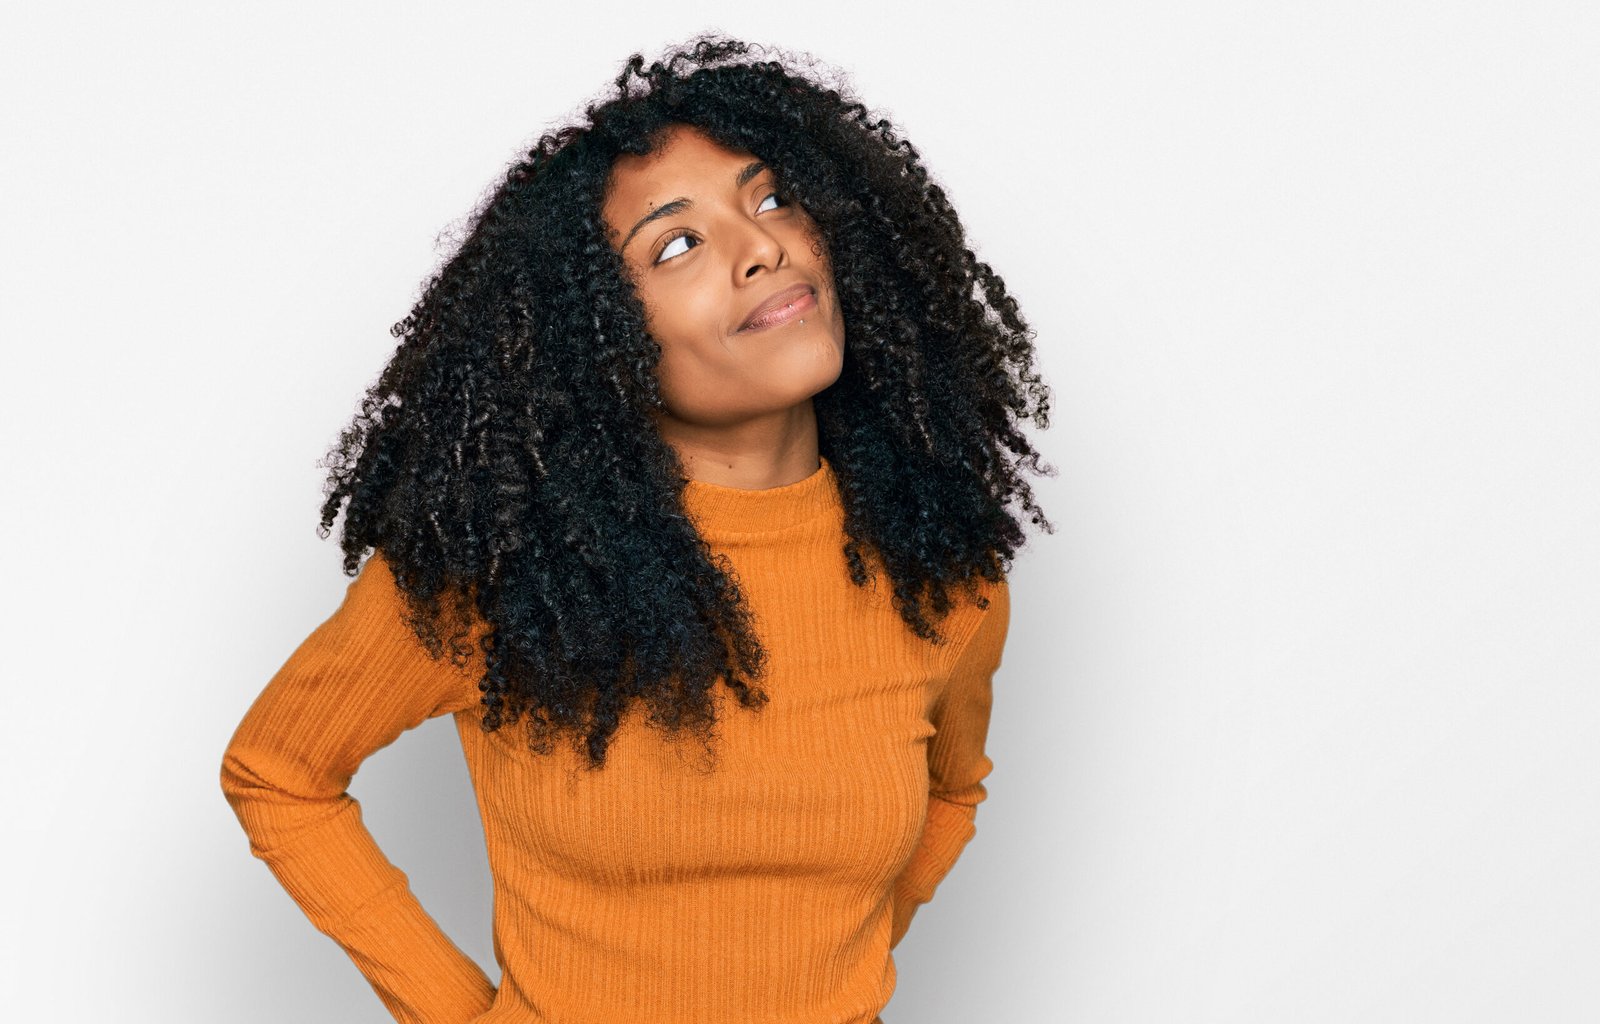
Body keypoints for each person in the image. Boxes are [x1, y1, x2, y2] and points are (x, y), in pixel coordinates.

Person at [220, 33, 1054, 1024]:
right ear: (599, 337)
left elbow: (952, 795)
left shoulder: (940, 576)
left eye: (772, 198)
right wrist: (457, 1012)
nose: (762, 248)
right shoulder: (506, 572)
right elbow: (279, 770)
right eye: (676, 245)